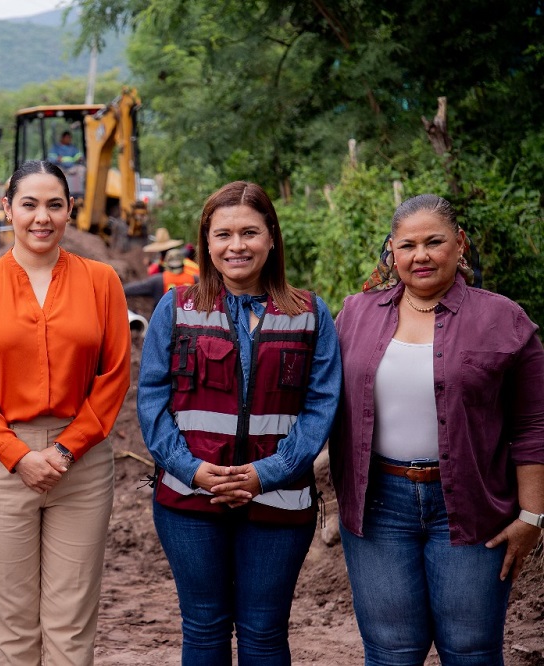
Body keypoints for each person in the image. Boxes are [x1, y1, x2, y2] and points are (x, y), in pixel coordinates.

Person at [330, 194, 544, 666]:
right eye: (407, 245)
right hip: (378, 506)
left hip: (470, 507)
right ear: (392, 251)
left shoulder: (503, 319)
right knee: (391, 652)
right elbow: (323, 403)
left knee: (470, 652)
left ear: (460, 243)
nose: (420, 256)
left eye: (434, 242)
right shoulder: (355, 315)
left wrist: (532, 517)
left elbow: (533, 425)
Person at [137, 181, 341, 665]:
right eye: (223, 234)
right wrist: (193, 470)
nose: (237, 246)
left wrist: (264, 474)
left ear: (271, 237)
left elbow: (320, 407)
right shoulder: (177, 306)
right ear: (206, 242)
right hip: (189, 499)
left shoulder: (310, 314)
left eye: (249, 232)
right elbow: (151, 400)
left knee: (265, 632)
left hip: (280, 499)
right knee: (204, 628)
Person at [0, 160, 131, 665]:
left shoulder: (102, 282)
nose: (41, 217)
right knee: (11, 624)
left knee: (71, 625)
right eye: (28, 204)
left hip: (84, 463)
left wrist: (68, 449)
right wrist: (18, 454)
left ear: (69, 210)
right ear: (7, 209)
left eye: (54, 205)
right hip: (1, 461)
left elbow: (114, 377)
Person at [124, 248, 197, 306]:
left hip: (165, 321)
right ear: (183, 263)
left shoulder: (158, 280)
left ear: (166, 264)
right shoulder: (195, 279)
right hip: (189, 321)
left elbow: (134, 288)